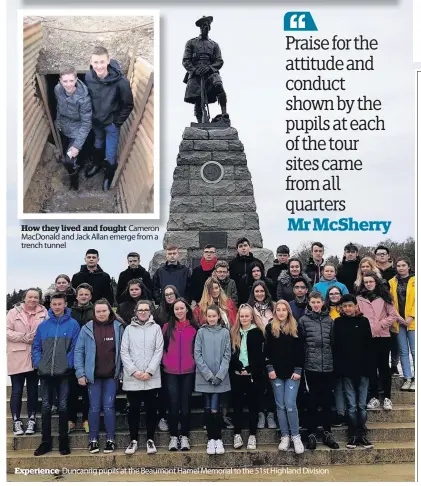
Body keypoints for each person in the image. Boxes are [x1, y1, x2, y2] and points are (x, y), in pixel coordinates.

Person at [32, 294, 80, 456]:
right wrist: (39, 363)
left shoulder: (73, 324)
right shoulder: (43, 326)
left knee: (63, 406)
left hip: (64, 373)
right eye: (54, 304)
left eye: (60, 304)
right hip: (46, 373)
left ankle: (63, 441)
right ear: (50, 305)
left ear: (65, 304)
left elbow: (75, 347)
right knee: (45, 406)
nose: (57, 306)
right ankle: (45, 442)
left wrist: (69, 364)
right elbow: (36, 347)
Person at [74, 299, 124, 454]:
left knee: (109, 408)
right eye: (98, 311)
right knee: (94, 407)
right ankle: (93, 440)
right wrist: (80, 373)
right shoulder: (87, 328)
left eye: (104, 311)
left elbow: (124, 350)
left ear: (110, 311)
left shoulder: (118, 327)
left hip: (111, 375)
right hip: (92, 376)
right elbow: (79, 351)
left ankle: (110, 439)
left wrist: (122, 371)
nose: (101, 314)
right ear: (94, 313)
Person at [84, 46, 134, 190]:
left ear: (108, 61)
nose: (98, 66)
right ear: (91, 62)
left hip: (111, 124)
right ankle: (97, 164)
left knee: (110, 153)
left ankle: (108, 175)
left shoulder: (121, 82)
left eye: (102, 62)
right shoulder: (88, 77)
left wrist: (116, 123)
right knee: (98, 143)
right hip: (96, 122)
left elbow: (128, 105)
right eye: (95, 62)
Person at [356, 272, 405, 412]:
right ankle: (374, 397)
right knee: (370, 367)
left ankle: (387, 397)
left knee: (383, 367)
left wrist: (381, 324)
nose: (368, 284)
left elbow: (393, 315)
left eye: (371, 281)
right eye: (366, 282)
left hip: (383, 337)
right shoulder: (359, 298)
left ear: (375, 282)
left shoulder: (384, 297)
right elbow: (357, 314)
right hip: (367, 338)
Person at [121, 300, 164, 455]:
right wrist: (134, 371)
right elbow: (124, 352)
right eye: (140, 310)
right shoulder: (128, 330)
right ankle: (133, 440)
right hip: (134, 378)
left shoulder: (156, 328)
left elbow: (159, 350)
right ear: (136, 311)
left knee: (152, 409)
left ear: (150, 311)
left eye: (146, 309)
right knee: (133, 410)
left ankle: (150, 439)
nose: (143, 312)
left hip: (151, 378)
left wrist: (150, 371)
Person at [298, 291, 339, 450]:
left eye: (318, 302)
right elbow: (301, 345)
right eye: (313, 302)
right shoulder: (303, 321)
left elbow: (334, 345)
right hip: (311, 367)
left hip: (328, 366)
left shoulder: (330, 320)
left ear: (323, 303)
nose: (316, 305)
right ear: (309, 303)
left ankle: (327, 432)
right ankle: (312, 433)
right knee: (312, 401)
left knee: (327, 401)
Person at [333, 294, 374, 449]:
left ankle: (362, 434)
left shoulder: (363, 322)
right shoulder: (338, 322)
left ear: (356, 306)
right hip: (346, 371)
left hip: (363, 370)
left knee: (362, 405)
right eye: (345, 306)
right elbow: (336, 347)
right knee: (351, 405)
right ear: (341, 308)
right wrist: (339, 369)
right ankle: (352, 435)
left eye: (350, 305)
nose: (348, 308)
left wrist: (370, 369)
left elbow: (369, 347)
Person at [264, 300, 305, 454]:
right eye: (278, 310)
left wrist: (298, 370)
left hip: (293, 373)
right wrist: (270, 368)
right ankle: (285, 435)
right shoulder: (270, 328)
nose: (281, 312)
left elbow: (301, 350)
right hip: (276, 373)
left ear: (288, 311)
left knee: (290, 403)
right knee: (280, 404)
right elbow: (267, 351)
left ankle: (296, 435)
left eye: (284, 310)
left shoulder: (296, 327)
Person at [7, 288, 48, 436]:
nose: (32, 300)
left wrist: (35, 338)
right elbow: (6, 331)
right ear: (24, 298)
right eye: (30, 297)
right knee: (17, 390)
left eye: (36, 297)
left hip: (35, 356)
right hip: (17, 356)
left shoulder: (44, 313)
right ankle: (16, 421)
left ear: (39, 299)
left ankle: (32, 419)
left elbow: (47, 331)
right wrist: (23, 336)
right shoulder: (13, 312)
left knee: (33, 390)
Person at [194, 305, 231, 455]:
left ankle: (218, 438)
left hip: (219, 378)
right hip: (205, 378)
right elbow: (198, 354)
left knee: (216, 408)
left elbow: (227, 355)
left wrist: (220, 374)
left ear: (218, 317)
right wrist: (208, 375)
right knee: (208, 408)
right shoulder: (201, 332)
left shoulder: (225, 333)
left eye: (214, 316)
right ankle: (211, 439)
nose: (211, 319)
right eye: (209, 316)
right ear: (206, 317)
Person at [162, 299, 198, 451]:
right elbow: (161, 348)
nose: (179, 311)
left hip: (188, 372)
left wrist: (193, 362)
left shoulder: (194, 328)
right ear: (173, 311)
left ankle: (184, 436)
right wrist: (166, 361)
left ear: (187, 309)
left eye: (182, 308)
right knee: (173, 404)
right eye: (176, 309)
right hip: (170, 372)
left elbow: (198, 349)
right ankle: (173, 436)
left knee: (185, 405)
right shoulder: (166, 327)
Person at [230, 304, 265, 450]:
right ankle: (237, 433)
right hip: (238, 375)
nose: (244, 318)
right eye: (242, 316)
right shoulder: (234, 332)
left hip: (253, 375)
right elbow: (231, 354)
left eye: (247, 316)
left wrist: (250, 369)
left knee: (253, 406)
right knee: (237, 406)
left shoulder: (257, 333)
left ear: (251, 317)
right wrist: (239, 367)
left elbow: (260, 356)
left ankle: (252, 435)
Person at [182, 15, 228, 123]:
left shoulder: (214, 45)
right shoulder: (191, 43)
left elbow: (219, 61)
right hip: (196, 73)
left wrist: (210, 68)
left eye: (207, 26)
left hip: (210, 73)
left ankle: (224, 112)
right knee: (198, 98)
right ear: (200, 28)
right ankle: (200, 121)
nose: (205, 28)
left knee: (218, 84)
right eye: (203, 26)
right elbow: (186, 60)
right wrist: (195, 70)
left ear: (209, 28)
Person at [54, 65, 92, 190]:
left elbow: (86, 123)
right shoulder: (58, 89)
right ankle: (78, 162)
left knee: (68, 161)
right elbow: (59, 107)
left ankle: (74, 184)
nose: (68, 84)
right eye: (65, 81)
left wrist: (76, 145)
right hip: (64, 129)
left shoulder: (84, 98)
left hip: (77, 132)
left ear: (76, 80)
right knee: (69, 156)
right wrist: (58, 123)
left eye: (71, 80)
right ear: (60, 80)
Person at [68, 284, 95, 434]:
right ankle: (71, 420)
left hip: (89, 355)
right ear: (77, 296)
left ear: (90, 296)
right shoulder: (70, 312)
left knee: (86, 391)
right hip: (72, 355)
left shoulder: (95, 311)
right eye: (81, 294)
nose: (83, 296)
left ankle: (86, 419)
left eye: (86, 294)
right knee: (71, 390)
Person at [389, 258, 416, 392]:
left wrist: (412, 316)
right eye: (398, 265)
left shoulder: (415, 280)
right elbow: (390, 301)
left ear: (409, 266)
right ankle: (407, 378)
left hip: (413, 321)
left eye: (403, 265)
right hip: (398, 321)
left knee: (415, 351)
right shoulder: (392, 282)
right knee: (403, 351)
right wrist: (398, 317)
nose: (400, 268)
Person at [229, 237, 264, 305]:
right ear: (237, 249)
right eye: (240, 246)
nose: (243, 248)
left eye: (245, 245)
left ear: (249, 247)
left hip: (255, 298)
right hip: (239, 298)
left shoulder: (258, 262)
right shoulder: (232, 264)